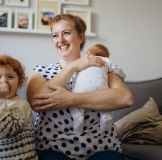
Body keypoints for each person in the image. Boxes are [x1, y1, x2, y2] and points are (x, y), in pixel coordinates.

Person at [26, 14, 134, 160]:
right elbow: (36, 102)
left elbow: (125, 99)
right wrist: (74, 66)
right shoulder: (41, 71)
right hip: (52, 149)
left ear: (81, 37)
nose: (60, 40)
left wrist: (70, 99)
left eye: (66, 33)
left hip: (101, 149)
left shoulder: (99, 65)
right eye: (55, 35)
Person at [70, 44, 126, 134]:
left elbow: (73, 73)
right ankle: (106, 116)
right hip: (101, 88)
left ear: (88, 53)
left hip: (80, 90)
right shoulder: (106, 61)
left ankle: (78, 117)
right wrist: (122, 77)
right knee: (106, 101)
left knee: (74, 103)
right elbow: (118, 70)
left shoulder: (81, 62)